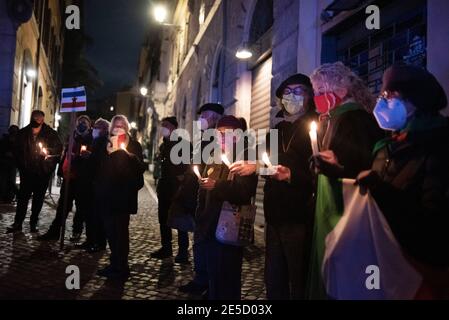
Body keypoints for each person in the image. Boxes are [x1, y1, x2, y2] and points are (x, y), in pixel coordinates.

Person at [356, 65, 449, 299]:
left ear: (416, 100)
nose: (382, 102)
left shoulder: (439, 145)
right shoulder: (385, 147)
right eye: (382, 95)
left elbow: (433, 221)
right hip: (386, 265)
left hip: (421, 272)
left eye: (391, 96)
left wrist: (380, 189)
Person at [231, 74, 318, 299]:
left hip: (300, 217)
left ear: (309, 95)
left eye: (299, 91)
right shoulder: (276, 130)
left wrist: (291, 175)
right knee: (274, 278)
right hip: (274, 215)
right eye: (287, 92)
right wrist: (253, 165)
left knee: (299, 279)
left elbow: (319, 172)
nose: (292, 96)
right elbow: (268, 165)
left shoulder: (317, 125)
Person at [306, 62, 384, 299]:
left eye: (321, 91)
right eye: (316, 92)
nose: (317, 97)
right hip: (334, 207)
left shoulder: (353, 119)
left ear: (340, 90)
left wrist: (332, 166)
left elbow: (358, 165)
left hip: (345, 212)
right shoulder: (335, 118)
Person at [196, 115, 258, 300]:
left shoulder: (245, 157)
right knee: (215, 277)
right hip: (210, 227)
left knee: (227, 280)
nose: (222, 137)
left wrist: (216, 186)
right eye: (219, 133)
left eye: (227, 133)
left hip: (230, 227)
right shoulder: (213, 156)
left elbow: (243, 192)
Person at [178, 103, 224, 295]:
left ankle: (206, 280)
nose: (201, 119)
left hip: (210, 197)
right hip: (197, 196)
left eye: (204, 115)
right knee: (199, 239)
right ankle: (201, 278)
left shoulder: (218, 138)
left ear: (214, 117)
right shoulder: (203, 138)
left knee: (206, 240)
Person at [97, 115, 144, 279]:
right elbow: (100, 168)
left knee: (121, 234)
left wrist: (123, 154)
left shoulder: (134, 145)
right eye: (115, 125)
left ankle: (122, 268)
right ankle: (114, 263)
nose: (118, 128)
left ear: (126, 128)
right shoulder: (106, 144)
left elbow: (138, 169)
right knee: (110, 232)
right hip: (107, 195)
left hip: (123, 197)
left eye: (121, 125)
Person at [38, 115, 93, 242]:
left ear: (89, 125)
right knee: (63, 206)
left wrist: (82, 157)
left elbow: (92, 159)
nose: (81, 125)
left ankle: (76, 231)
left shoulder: (91, 139)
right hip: (69, 177)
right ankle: (55, 231)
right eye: (79, 122)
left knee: (80, 208)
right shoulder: (72, 136)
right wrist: (57, 166)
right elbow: (65, 155)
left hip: (82, 179)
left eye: (84, 123)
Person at [7, 111, 62, 234]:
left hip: (42, 172)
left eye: (39, 118)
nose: (36, 120)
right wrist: (21, 166)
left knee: (38, 199)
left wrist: (48, 153)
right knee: (22, 198)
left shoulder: (50, 134)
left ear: (43, 120)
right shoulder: (23, 133)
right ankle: (18, 223)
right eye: (34, 118)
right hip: (26, 172)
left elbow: (58, 149)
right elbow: (16, 151)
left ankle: (33, 223)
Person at [151, 117, 190, 262]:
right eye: (162, 125)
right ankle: (166, 248)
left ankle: (183, 252)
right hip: (165, 188)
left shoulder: (184, 145)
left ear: (174, 128)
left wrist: (182, 185)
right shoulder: (163, 145)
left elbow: (186, 168)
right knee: (163, 220)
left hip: (178, 189)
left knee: (180, 221)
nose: (163, 128)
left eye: (166, 125)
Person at [79, 118, 110, 252]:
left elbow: (102, 161)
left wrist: (90, 156)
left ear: (105, 130)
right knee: (89, 214)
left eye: (98, 127)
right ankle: (90, 239)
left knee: (97, 216)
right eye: (95, 127)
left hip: (98, 183)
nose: (95, 129)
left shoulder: (105, 143)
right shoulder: (95, 140)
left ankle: (99, 242)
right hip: (90, 182)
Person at [0, 125, 19, 203]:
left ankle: (10, 196)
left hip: (11, 164)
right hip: (4, 163)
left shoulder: (17, 142)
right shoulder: (4, 141)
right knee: (5, 181)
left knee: (9, 181)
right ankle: (7, 196)